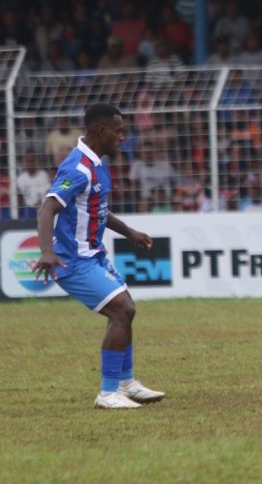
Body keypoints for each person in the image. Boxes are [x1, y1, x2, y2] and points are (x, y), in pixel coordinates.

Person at [30, 104, 165, 409]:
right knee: (122, 310)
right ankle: (107, 393)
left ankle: (125, 382)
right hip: (73, 262)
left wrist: (129, 232)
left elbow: (96, 208)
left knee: (125, 309)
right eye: (119, 131)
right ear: (101, 130)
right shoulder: (77, 167)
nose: (123, 137)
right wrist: (47, 252)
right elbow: (47, 208)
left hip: (94, 255)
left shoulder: (96, 164)